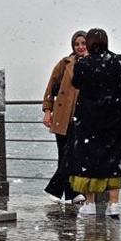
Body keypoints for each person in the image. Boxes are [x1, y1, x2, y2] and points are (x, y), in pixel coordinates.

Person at [66, 28, 121, 218]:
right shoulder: (119, 61)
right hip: (115, 117)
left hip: (89, 117)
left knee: (88, 159)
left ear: (90, 43)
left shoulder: (84, 63)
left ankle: (90, 203)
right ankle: (114, 204)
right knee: (114, 157)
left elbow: (76, 83)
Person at [41, 30, 88, 204]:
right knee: (66, 156)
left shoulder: (94, 64)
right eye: (77, 44)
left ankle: (57, 189)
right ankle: (71, 194)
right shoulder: (65, 63)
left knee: (72, 156)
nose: (81, 47)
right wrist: (47, 110)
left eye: (83, 43)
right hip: (63, 116)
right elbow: (51, 87)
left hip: (82, 117)